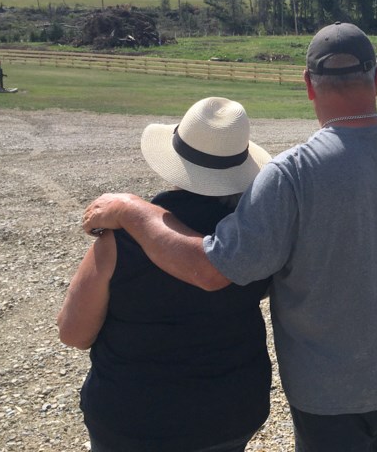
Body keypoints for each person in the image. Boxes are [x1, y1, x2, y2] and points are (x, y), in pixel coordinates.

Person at [82, 21, 377, 452]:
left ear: (309, 85)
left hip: (328, 396)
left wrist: (132, 210)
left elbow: (209, 269)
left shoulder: (292, 173)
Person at [59, 97, 274, 452]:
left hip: (132, 420)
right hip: (231, 412)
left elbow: (74, 332)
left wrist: (130, 212)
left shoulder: (121, 239)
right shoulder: (256, 234)